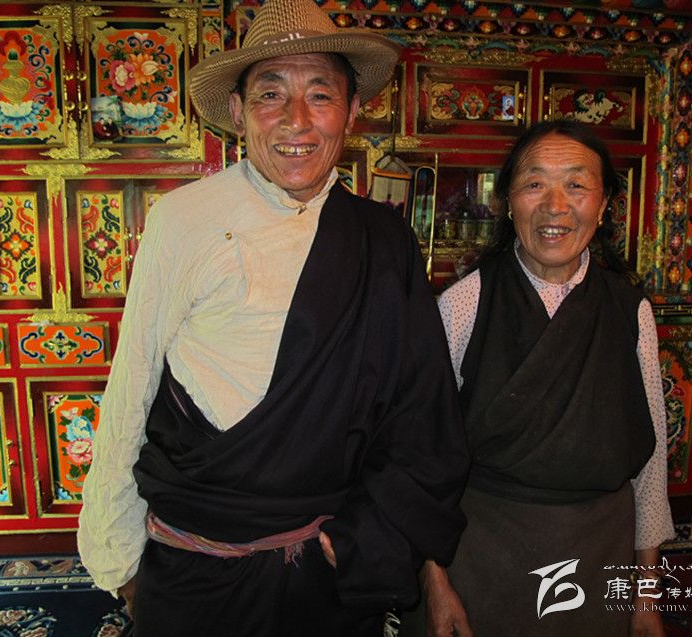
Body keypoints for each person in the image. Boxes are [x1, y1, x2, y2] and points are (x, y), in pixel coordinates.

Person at [76, 0, 470, 634]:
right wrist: (115, 554)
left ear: (352, 111)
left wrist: (377, 538)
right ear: (237, 111)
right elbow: (132, 386)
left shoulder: (380, 239)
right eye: (270, 94)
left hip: (325, 569)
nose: (297, 120)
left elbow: (420, 412)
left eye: (321, 95)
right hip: (195, 564)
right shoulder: (183, 220)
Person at [414, 120, 675, 637]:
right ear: (508, 203)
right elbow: (421, 454)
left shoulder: (629, 310)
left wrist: (647, 595)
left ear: (603, 205)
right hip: (484, 558)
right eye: (534, 183)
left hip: (598, 556)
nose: (555, 205)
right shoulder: (465, 303)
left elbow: (650, 466)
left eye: (576, 184)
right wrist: (435, 581)